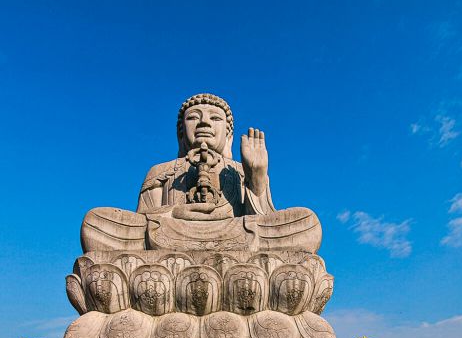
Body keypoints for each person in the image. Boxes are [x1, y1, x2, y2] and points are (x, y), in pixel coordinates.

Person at [79, 94, 322, 253]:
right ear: (181, 133)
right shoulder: (161, 171)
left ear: (227, 134)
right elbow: (142, 222)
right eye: (194, 118)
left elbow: (262, 219)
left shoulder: (238, 170)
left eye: (215, 118)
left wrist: (256, 177)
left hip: (234, 237)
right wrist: (176, 212)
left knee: (306, 223)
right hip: (170, 237)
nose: (204, 123)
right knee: (96, 222)